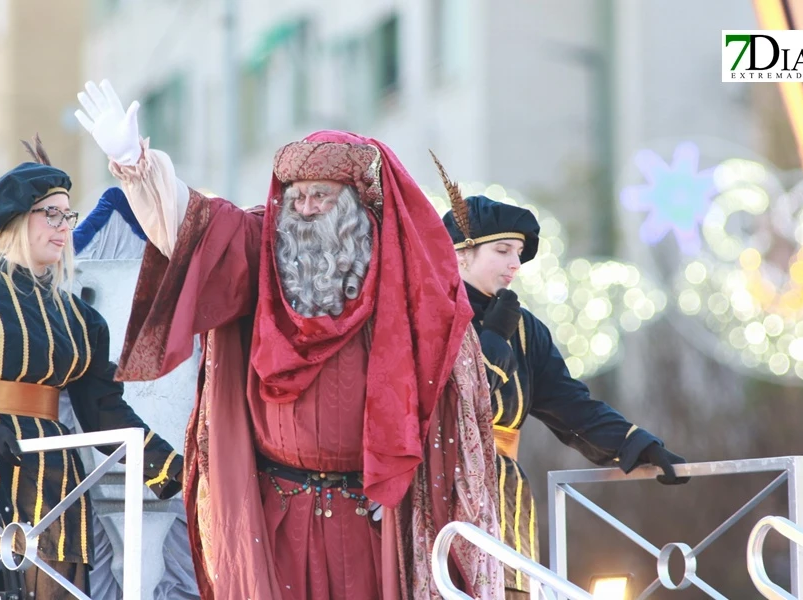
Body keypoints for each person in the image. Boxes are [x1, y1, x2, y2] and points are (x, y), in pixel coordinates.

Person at [75, 79, 506, 599]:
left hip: (368, 523)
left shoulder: (403, 277)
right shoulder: (261, 252)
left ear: (355, 203)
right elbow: (190, 230)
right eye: (295, 195)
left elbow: (440, 383)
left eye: (319, 196)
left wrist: (401, 476)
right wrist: (135, 165)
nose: (301, 209)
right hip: (275, 518)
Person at [0, 138, 185, 600]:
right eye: (50, 214)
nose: (63, 227)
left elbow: (103, 410)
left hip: (58, 480)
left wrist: (167, 465)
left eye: (68, 216)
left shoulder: (82, 319)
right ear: (17, 221)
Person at [432, 155, 689, 599]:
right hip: (434, 483)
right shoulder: (426, 316)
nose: (515, 265)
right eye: (502, 251)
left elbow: (570, 406)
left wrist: (635, 443)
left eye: (518, 254)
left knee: (509, 590)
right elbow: (450, 399)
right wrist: (491, 338)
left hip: (501, 490)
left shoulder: (525, 329)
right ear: (460, 253)